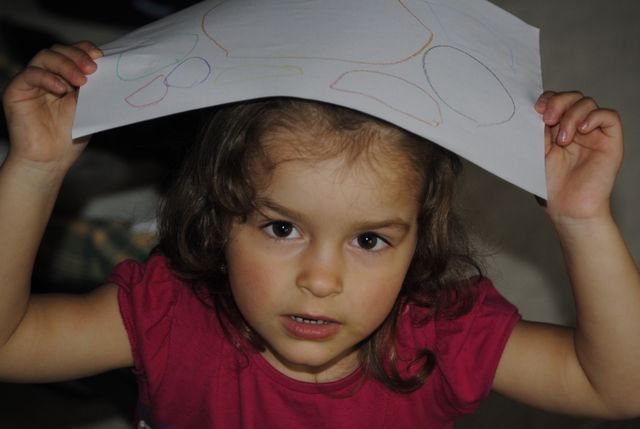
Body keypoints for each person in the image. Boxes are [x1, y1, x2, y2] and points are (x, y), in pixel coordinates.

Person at [0, 41, 639, 428]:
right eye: (282, 228)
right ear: (220, 219)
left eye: (370, 240)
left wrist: (582, 218)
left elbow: (619, 388)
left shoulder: (439, 335)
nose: (322, 280)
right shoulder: (169, 314)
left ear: (421, 240)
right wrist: (35, 167)